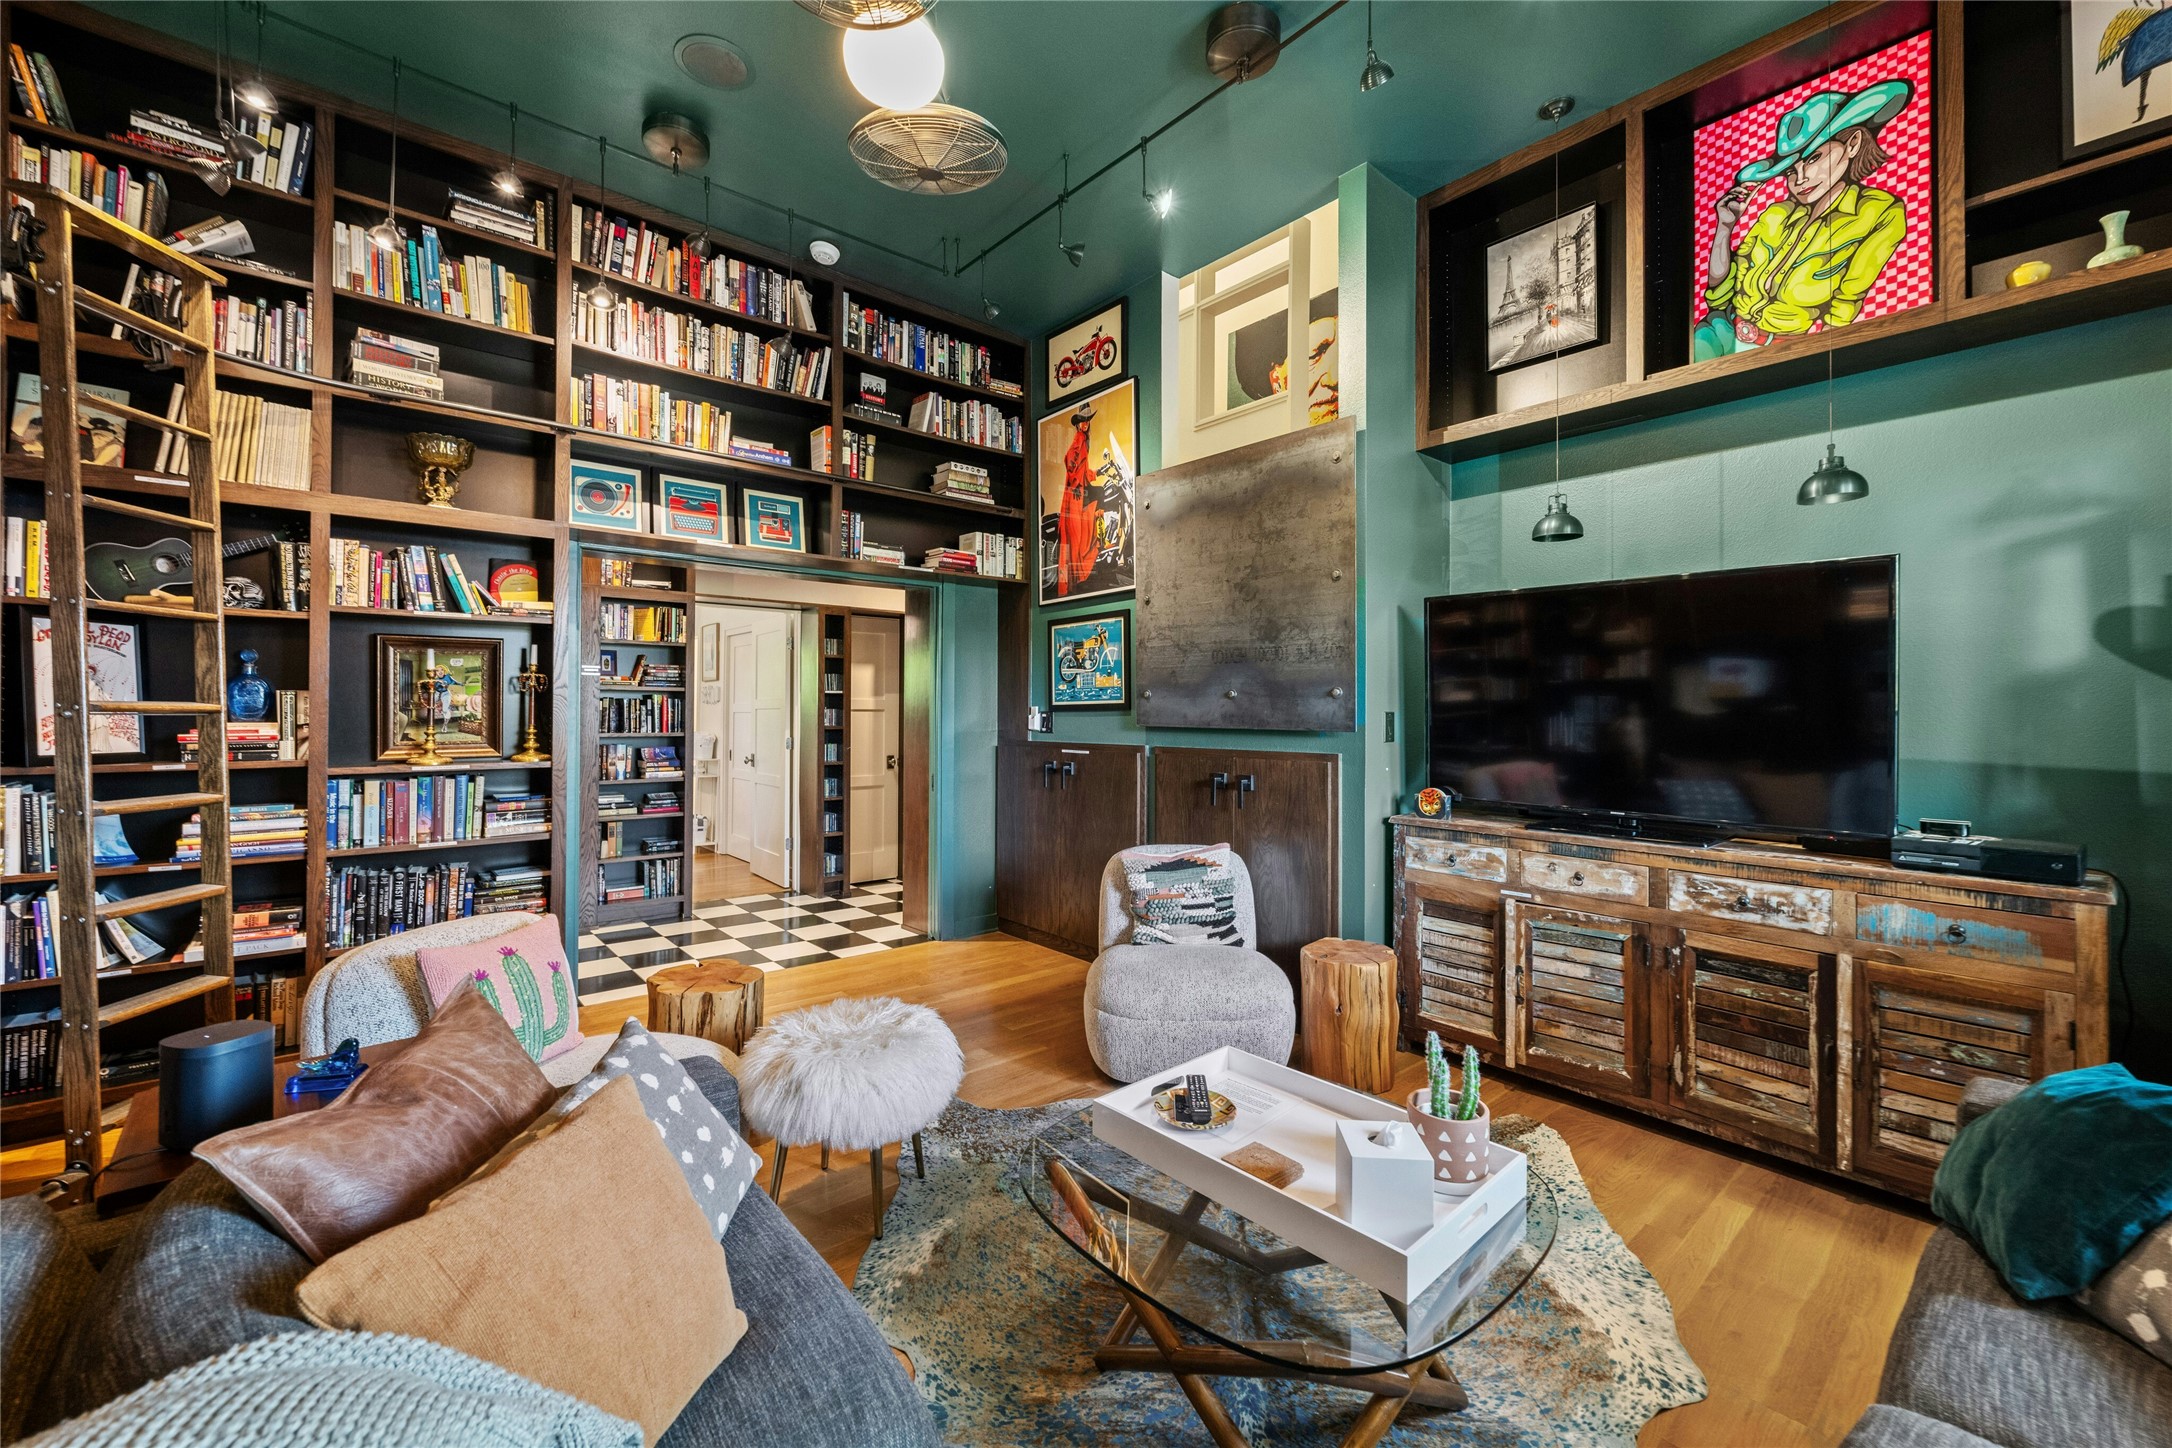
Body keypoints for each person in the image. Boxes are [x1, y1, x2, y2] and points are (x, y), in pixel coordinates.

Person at [1696, 78, 1913, 360]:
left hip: (1785, 349)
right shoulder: (1777, 213)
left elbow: (1847, 304)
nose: (1800, 179)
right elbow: (1719, 293)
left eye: (1813, 159)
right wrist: (1725, 226)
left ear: (1853, 143)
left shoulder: (1880, 212)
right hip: (1720, 333)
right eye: (1790, 171)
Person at [1056, 400, 1098, 596]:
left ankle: (1073, 582)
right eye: (1083, 420)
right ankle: (1076, 580)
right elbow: (1070, 459)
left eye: (1087, 420)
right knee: (1077, 536)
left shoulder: (1083, 439)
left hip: (1077, 491)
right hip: (1075, 493)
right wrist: (1075, 480)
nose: (1085, 423)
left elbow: (1081, 467)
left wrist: (1095, 473)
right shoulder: (1079, 438)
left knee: (1077, 536)